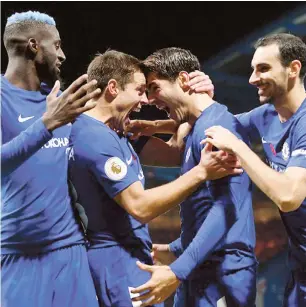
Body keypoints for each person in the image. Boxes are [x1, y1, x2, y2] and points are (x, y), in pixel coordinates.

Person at [67, 50, 240, 307]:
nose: (144, 100)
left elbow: (177, 152)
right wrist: (202, 172)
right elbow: (140, 207)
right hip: (117, 261)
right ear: (113, 88)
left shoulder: (115, 132)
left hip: (130, 257)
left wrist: (196, 100)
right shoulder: (95, 138)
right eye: (139, 90)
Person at [129, 47, 258, 307]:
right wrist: (173, 250)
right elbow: (203, 207)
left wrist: (178, 270)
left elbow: (227, 209)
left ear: (184, 80)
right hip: (200, 267)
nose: (151, 99)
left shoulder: (218, 127)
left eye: (155, 87)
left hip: (224, 273)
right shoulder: (196, 128)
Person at [1, 11, 101, 307]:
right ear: (34, 46)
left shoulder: (60, 100)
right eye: (56, 46)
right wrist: (47, 124)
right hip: (19, 255)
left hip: (70, 250)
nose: (64, 54)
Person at [201, 33, 306, 307]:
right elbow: (214, 127)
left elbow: (289, 196)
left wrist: (237, 146)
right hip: (300, 269)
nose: (252, 78)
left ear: (293, 68)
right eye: (252, 69)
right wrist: (201, 100)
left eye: (263, 68)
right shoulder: (266, 116)